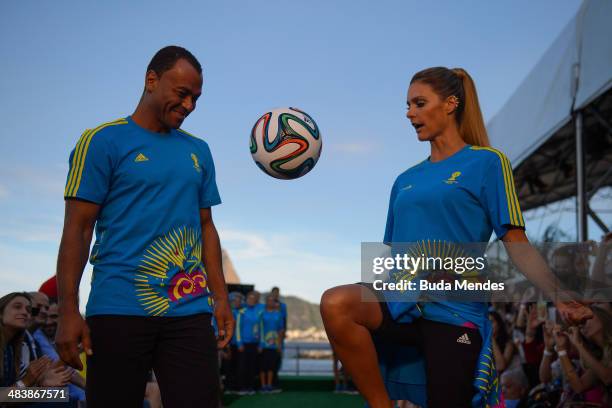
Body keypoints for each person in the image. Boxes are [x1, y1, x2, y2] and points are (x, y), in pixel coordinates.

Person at [320, 67, 591, 408]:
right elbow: (393, 256)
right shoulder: (404, 180)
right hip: (400, 303)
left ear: (450, 104)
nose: (409, 113)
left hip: (454, 312)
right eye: (407, 105)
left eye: (419, 103)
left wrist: (559, 296)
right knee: (337, 303)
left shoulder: (488, 163)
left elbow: (515, 242)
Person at [55, 45, 234, 408]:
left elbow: (206, 227)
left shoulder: (199, 150)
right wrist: (68, 310)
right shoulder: (102, 141)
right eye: (182, 94)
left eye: (196, 98)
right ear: (151, 80)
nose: (189, 106)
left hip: (189, 308)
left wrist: (221, 297)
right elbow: (77, 229)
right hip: (118, 307)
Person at [0, 292, 71, 389]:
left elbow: (11, 397)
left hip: (14, 400)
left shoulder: (13, 347)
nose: (25, 312)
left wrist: (40, 384)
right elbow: (5, 399)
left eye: (29, 310)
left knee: (63, 397)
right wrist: (26, 381)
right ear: (1, 313)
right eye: (17, 307)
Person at [236, 291, 262, 395]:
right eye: (249, 299)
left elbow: (261, 329)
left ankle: (250, 388)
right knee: (242, 367)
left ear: (255, 301)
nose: (251, 300)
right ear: (246, 300)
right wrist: (239, 343)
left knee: (252, 366)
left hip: (255, 344)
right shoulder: (241, 312)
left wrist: (261, 344)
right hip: (243, 344)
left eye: (253, 299)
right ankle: (243, 388)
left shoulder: (259, 312)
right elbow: (238, 328)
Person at [259, 294, 284, 393]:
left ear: (274, 303)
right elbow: (259, 329)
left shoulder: (279, 314)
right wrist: (260, 344)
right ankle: (263, 385)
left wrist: (279, 344)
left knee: (271, 366)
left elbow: (280, 331)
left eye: (272, 301)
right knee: (262, 366)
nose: (270, 302)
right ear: (266, 302)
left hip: (274, 345)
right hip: (262, 345)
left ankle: (269, 385)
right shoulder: (261, 313)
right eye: (268, 300)